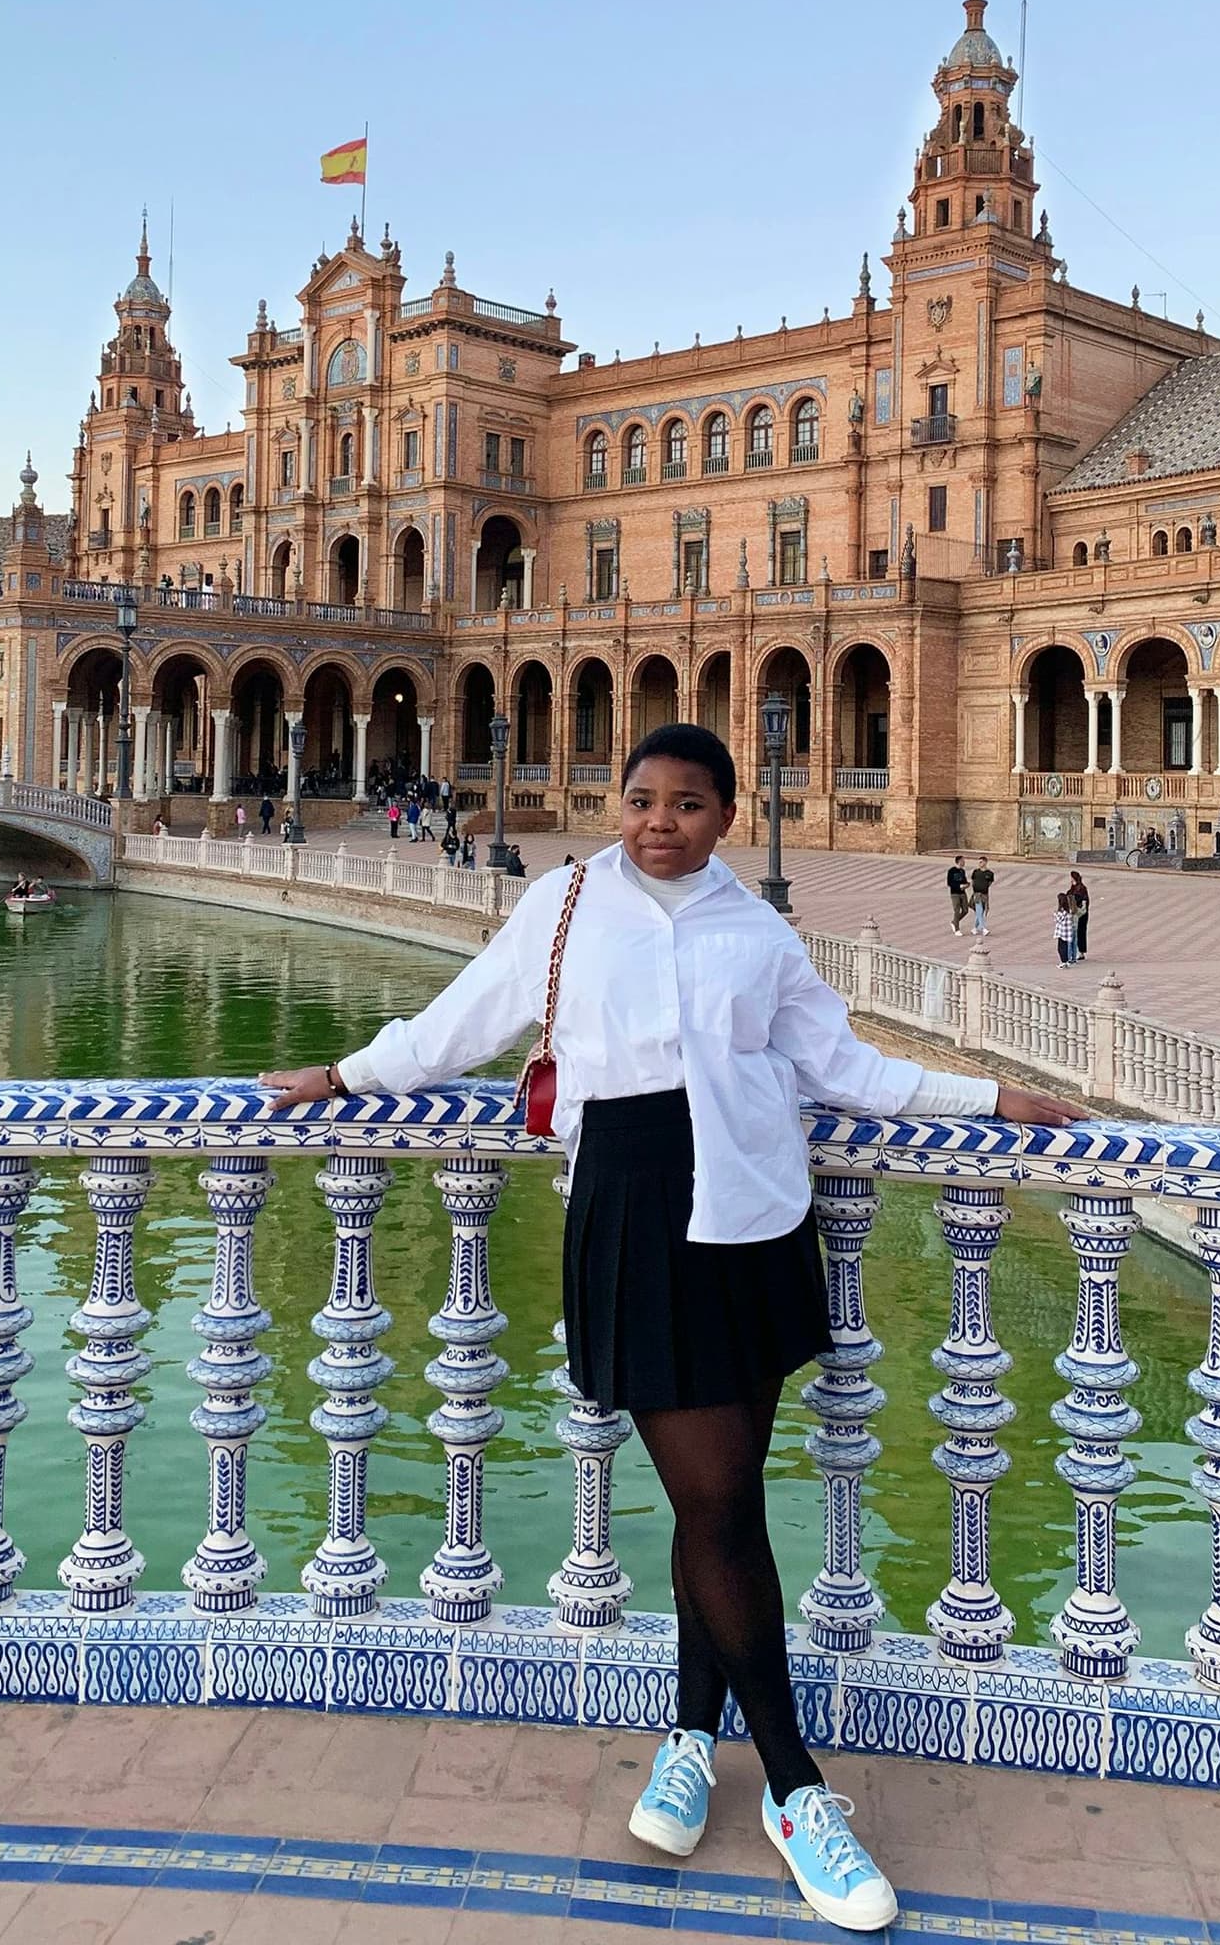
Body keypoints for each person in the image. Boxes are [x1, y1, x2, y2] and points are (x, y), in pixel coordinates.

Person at [261, 722, 1081, 1934]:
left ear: (724, 816)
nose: (658, 820)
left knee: (725, 1499)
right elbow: (463, 1022)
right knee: (720, 1506)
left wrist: (987, 1096)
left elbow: (842, 1068)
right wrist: (343, 1073)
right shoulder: (565, 900)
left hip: (751, 1214)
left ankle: (692, 1738)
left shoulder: (759, 933)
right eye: (640, 796)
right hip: (639, 1205)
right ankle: (798, 1792)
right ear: (618, 802)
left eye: (687, 803)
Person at [1067, 870, 1090, 962]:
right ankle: (1077, 952)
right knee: (1076, 932)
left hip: (1081, 913)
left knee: (1080, 932)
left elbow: (1082, 899)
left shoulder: (1081, 888)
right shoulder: (1073, 887)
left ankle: (1080, 952)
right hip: (1075, 913)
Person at [969, 858, 994, 936]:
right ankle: (983, 928)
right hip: (977, 894)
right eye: (979, 862)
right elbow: (973, 881)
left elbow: (990, 882)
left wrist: (984, 887)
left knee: (981, 911)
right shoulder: (976, 872)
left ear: (985, 862)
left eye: (981, 862)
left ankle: (975, 928)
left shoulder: (990, 873)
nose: (979, 864)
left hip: (985, 894)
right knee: (979, 909)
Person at [945, 857, 970, 934]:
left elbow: (964, 880)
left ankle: (954, 922)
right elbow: (949, 883)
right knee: (957, 910)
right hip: (955, 893)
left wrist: (967, 884)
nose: (964, 862)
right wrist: (959, 886)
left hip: (962, 893)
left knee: (965, 910)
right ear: (958, 862)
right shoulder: (951, 871)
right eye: (963, 861)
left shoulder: (962, 871)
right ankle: (957, 929)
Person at [1054, 890, 1076, 966]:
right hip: (1067, 932)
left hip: (1062, 932)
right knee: (1065, 947)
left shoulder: (1061, 911)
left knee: (1061, 948)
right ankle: (1065, 961)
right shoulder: (1068, 910)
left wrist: (1055, 913)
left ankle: (1064, 962)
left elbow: (1057, 919)